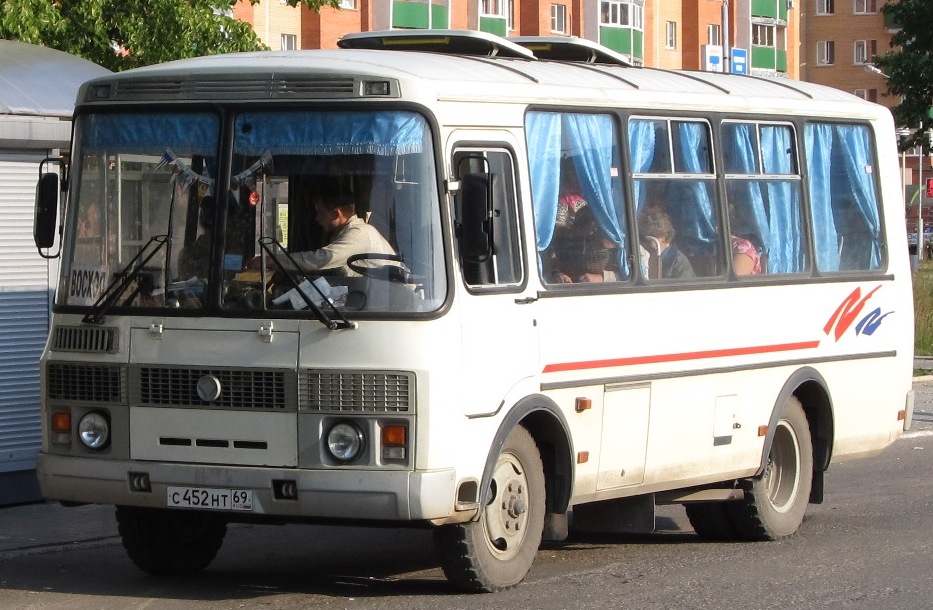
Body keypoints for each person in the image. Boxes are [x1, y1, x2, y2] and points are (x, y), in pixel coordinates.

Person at [287, 178, 397, 277]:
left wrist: (274, 261)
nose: (317, 218)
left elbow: (321, 260)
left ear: (336, 214)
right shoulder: (342, 233)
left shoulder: (359, 233)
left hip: (394, 296)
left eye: (320, 213)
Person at [638, 203, 695, 279]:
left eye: (650, 239)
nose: (645, 243)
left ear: (663, 237)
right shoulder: (643, 257)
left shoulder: (679, 263)